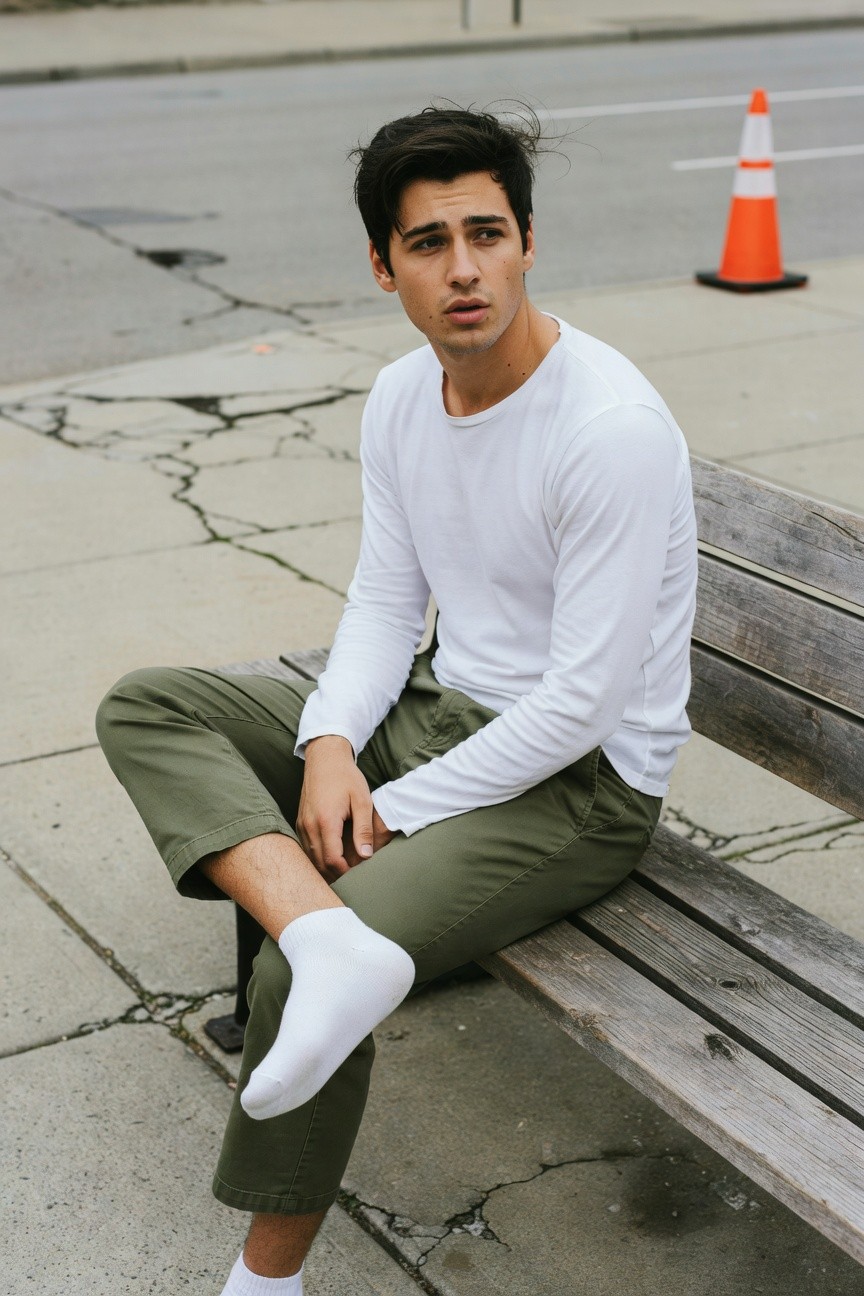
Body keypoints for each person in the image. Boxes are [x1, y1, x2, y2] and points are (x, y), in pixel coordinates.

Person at [96, 105, 698, 1295]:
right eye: (428, 244)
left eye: (487, 233)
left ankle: (266, 1281)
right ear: (385, 267)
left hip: (581, 790)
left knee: (285, 975)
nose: (463, 270)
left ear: (529, 242)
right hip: (444, 710)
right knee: (150, 706)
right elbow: (383, 601)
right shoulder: (401, 399)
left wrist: (394, 809)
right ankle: (324, 934)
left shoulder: (609, 430)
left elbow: (582, 706)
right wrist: (328, 745)